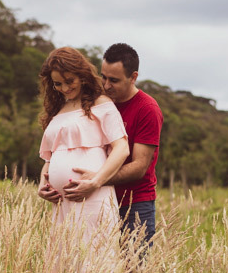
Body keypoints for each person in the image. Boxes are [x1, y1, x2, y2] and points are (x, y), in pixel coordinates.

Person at [36, 47, 129, 273]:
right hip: (61, 204)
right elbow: (49, 157)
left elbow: (122, 149)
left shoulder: (101, 103)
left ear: (82, 74)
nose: (65, 88)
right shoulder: (57, 112)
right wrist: (41, 186)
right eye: (57, 84)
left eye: (69, 81)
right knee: (64, 263)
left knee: (92, 263)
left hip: (92, 198)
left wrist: (96, 181)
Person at [61, 43, 163, 259]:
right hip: (96, 200)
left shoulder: (147, 109)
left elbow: (139, 167)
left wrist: (98, 179)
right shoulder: (99, 102)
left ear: (133, 77)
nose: (106, 85)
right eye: (104, 77)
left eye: (114, 80)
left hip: (134, 205)